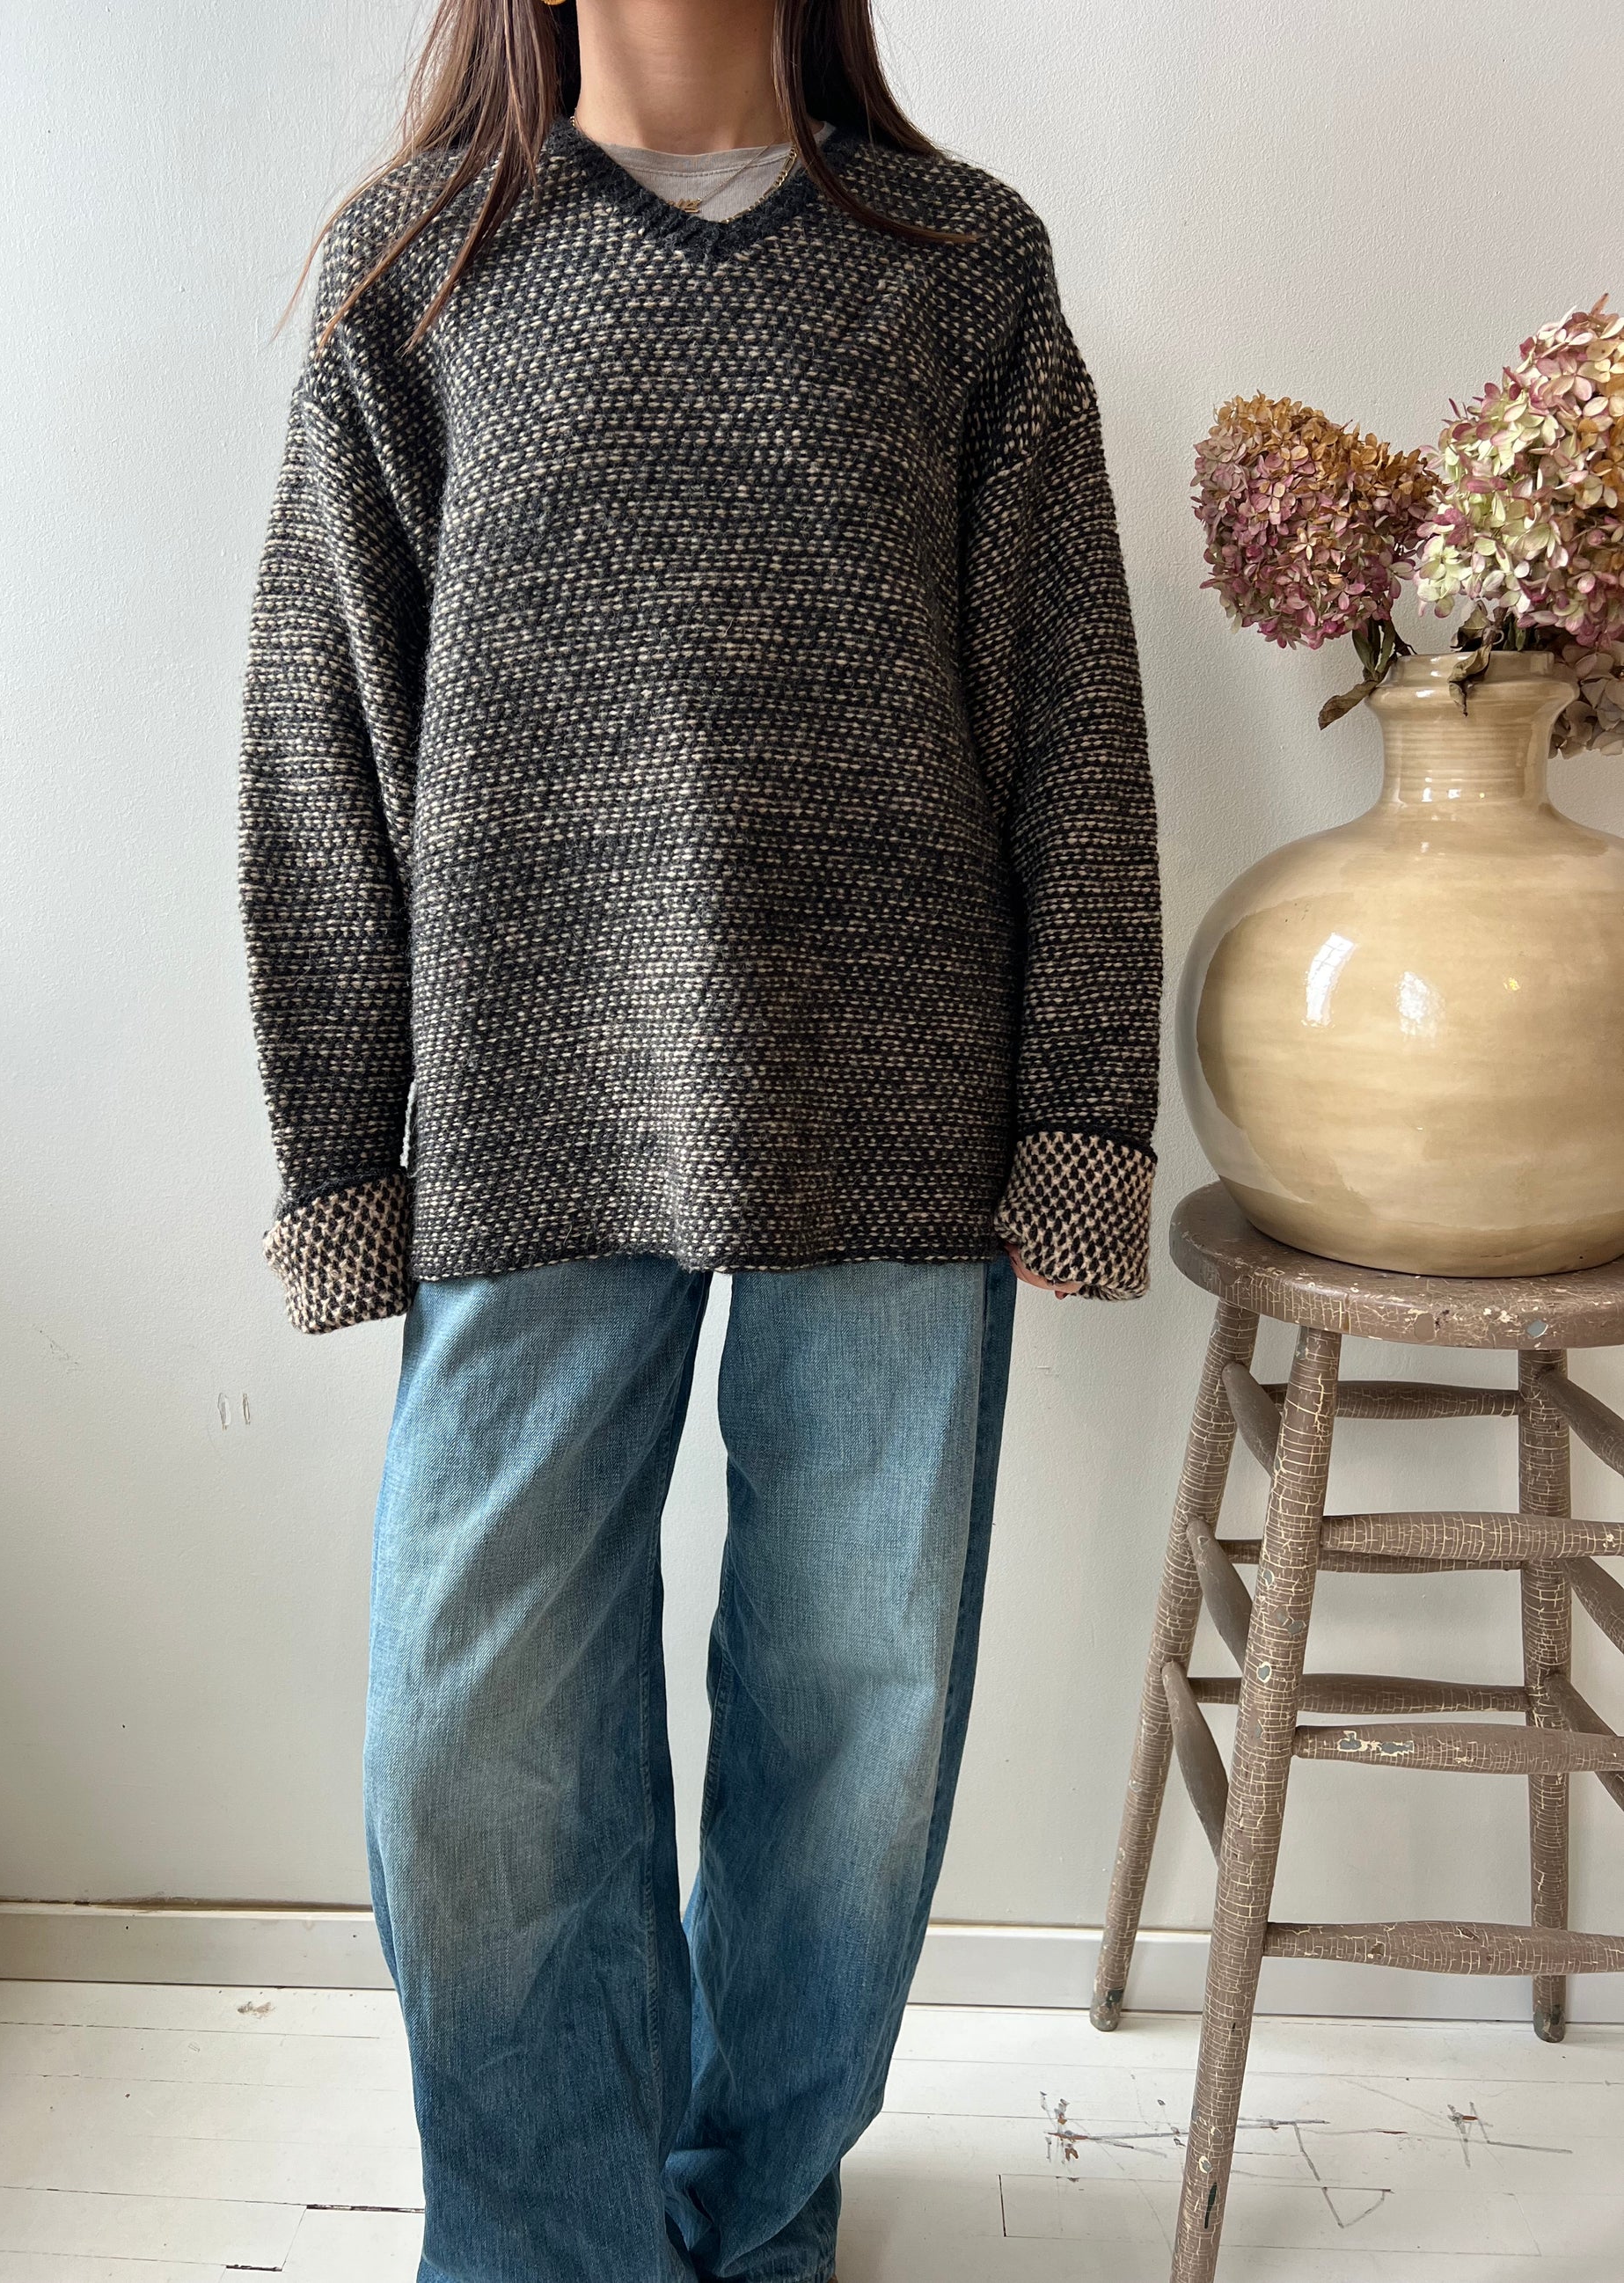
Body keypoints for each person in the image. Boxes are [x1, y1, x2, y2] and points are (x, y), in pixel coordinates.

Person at [238, 0, 1159, 2275]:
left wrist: (1078, 1113)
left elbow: (1070, 713)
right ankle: (553, 2240)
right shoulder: (417, 273)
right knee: (473, 1737)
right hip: (526, 1112)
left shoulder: (960, 268)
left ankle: (751, 2214)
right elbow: (322, 738)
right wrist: (340, 1164)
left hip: (896, 1103)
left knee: (852, 1721)